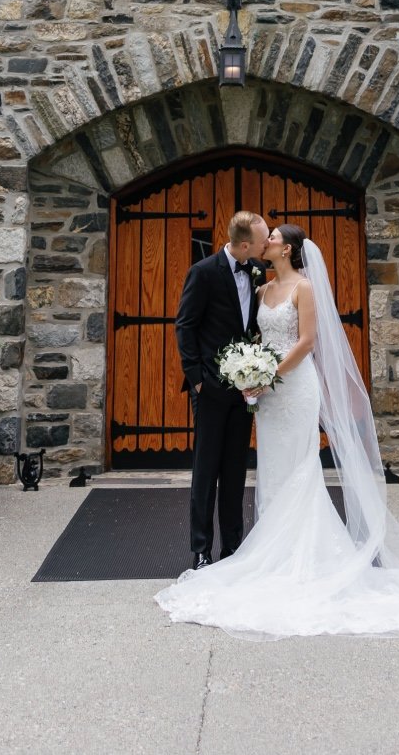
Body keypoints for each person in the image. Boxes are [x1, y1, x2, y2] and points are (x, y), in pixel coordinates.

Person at [157, 224, 399, 642]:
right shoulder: (261, 288)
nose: (268, 242)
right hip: (267, 395)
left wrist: (269, 373)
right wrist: (246, 372)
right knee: (273, 469)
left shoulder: (305, 289)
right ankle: (266, 552)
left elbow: (308, 341)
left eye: (274, 237)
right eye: (266, 236)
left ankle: (302, 556)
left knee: (300, 467)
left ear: (290, 248)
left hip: (294, 387)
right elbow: (246, 335)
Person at [173, 209, 270, 567]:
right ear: (245, 244)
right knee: (206, 469)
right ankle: (200, 549)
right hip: (210, 388)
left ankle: (232, 548)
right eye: (263, 240)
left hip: (244, 390)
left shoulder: (257, 270)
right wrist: (197, 378)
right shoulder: (203, 272)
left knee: (235, 469)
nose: (267, 243)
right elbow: (185, 326)